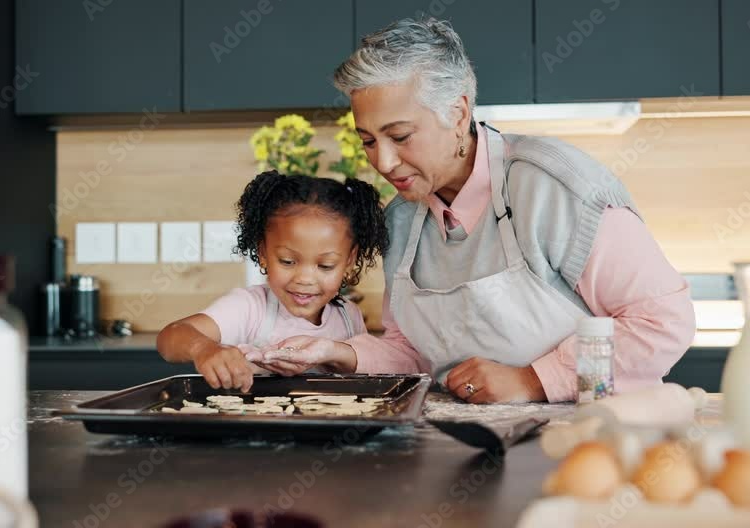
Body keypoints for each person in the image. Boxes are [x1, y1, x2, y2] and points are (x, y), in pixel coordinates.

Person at [257, 17, 696, 404]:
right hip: (470, 457)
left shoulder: (554, 189)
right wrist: (338, 353)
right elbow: (411, 353)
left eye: (401, 136)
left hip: (588, 444)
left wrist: (533, 381)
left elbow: (662, 322)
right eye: (369, 141)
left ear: (458, 111)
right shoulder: (403, 221)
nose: (383, 162)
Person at [156, 170, 388, 391]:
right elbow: (171, 336)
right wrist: (204, 349)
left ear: (349, 260)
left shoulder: (350, 317)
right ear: (264, 253)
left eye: (325, 266)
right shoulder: (249, 307)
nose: (305, 279)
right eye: (287, 261)